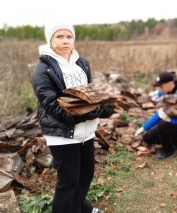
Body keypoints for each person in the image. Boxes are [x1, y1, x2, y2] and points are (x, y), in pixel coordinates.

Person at [31, 23, 114, 213]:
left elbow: (90, 93)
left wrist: (103, 105)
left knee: (86, 175)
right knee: (68, 182)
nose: (65, 41)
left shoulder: (82, 63)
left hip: (86, 132)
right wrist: (89, 112)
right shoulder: (43, 68)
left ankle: (81, 208)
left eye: (69, 36)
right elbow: (52, 105)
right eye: (59, 36)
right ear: (50, 40)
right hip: (62, 132)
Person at [135, 71, 177, 160]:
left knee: (163, 125)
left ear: (169, 84)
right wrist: (144, 128)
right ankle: (173, 142)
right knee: (147, 138)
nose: (160, 89)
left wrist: (170, 120)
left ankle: (169, 150)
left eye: (161, 86)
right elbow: (159, 114)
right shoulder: (164, 94)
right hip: (171, 126)